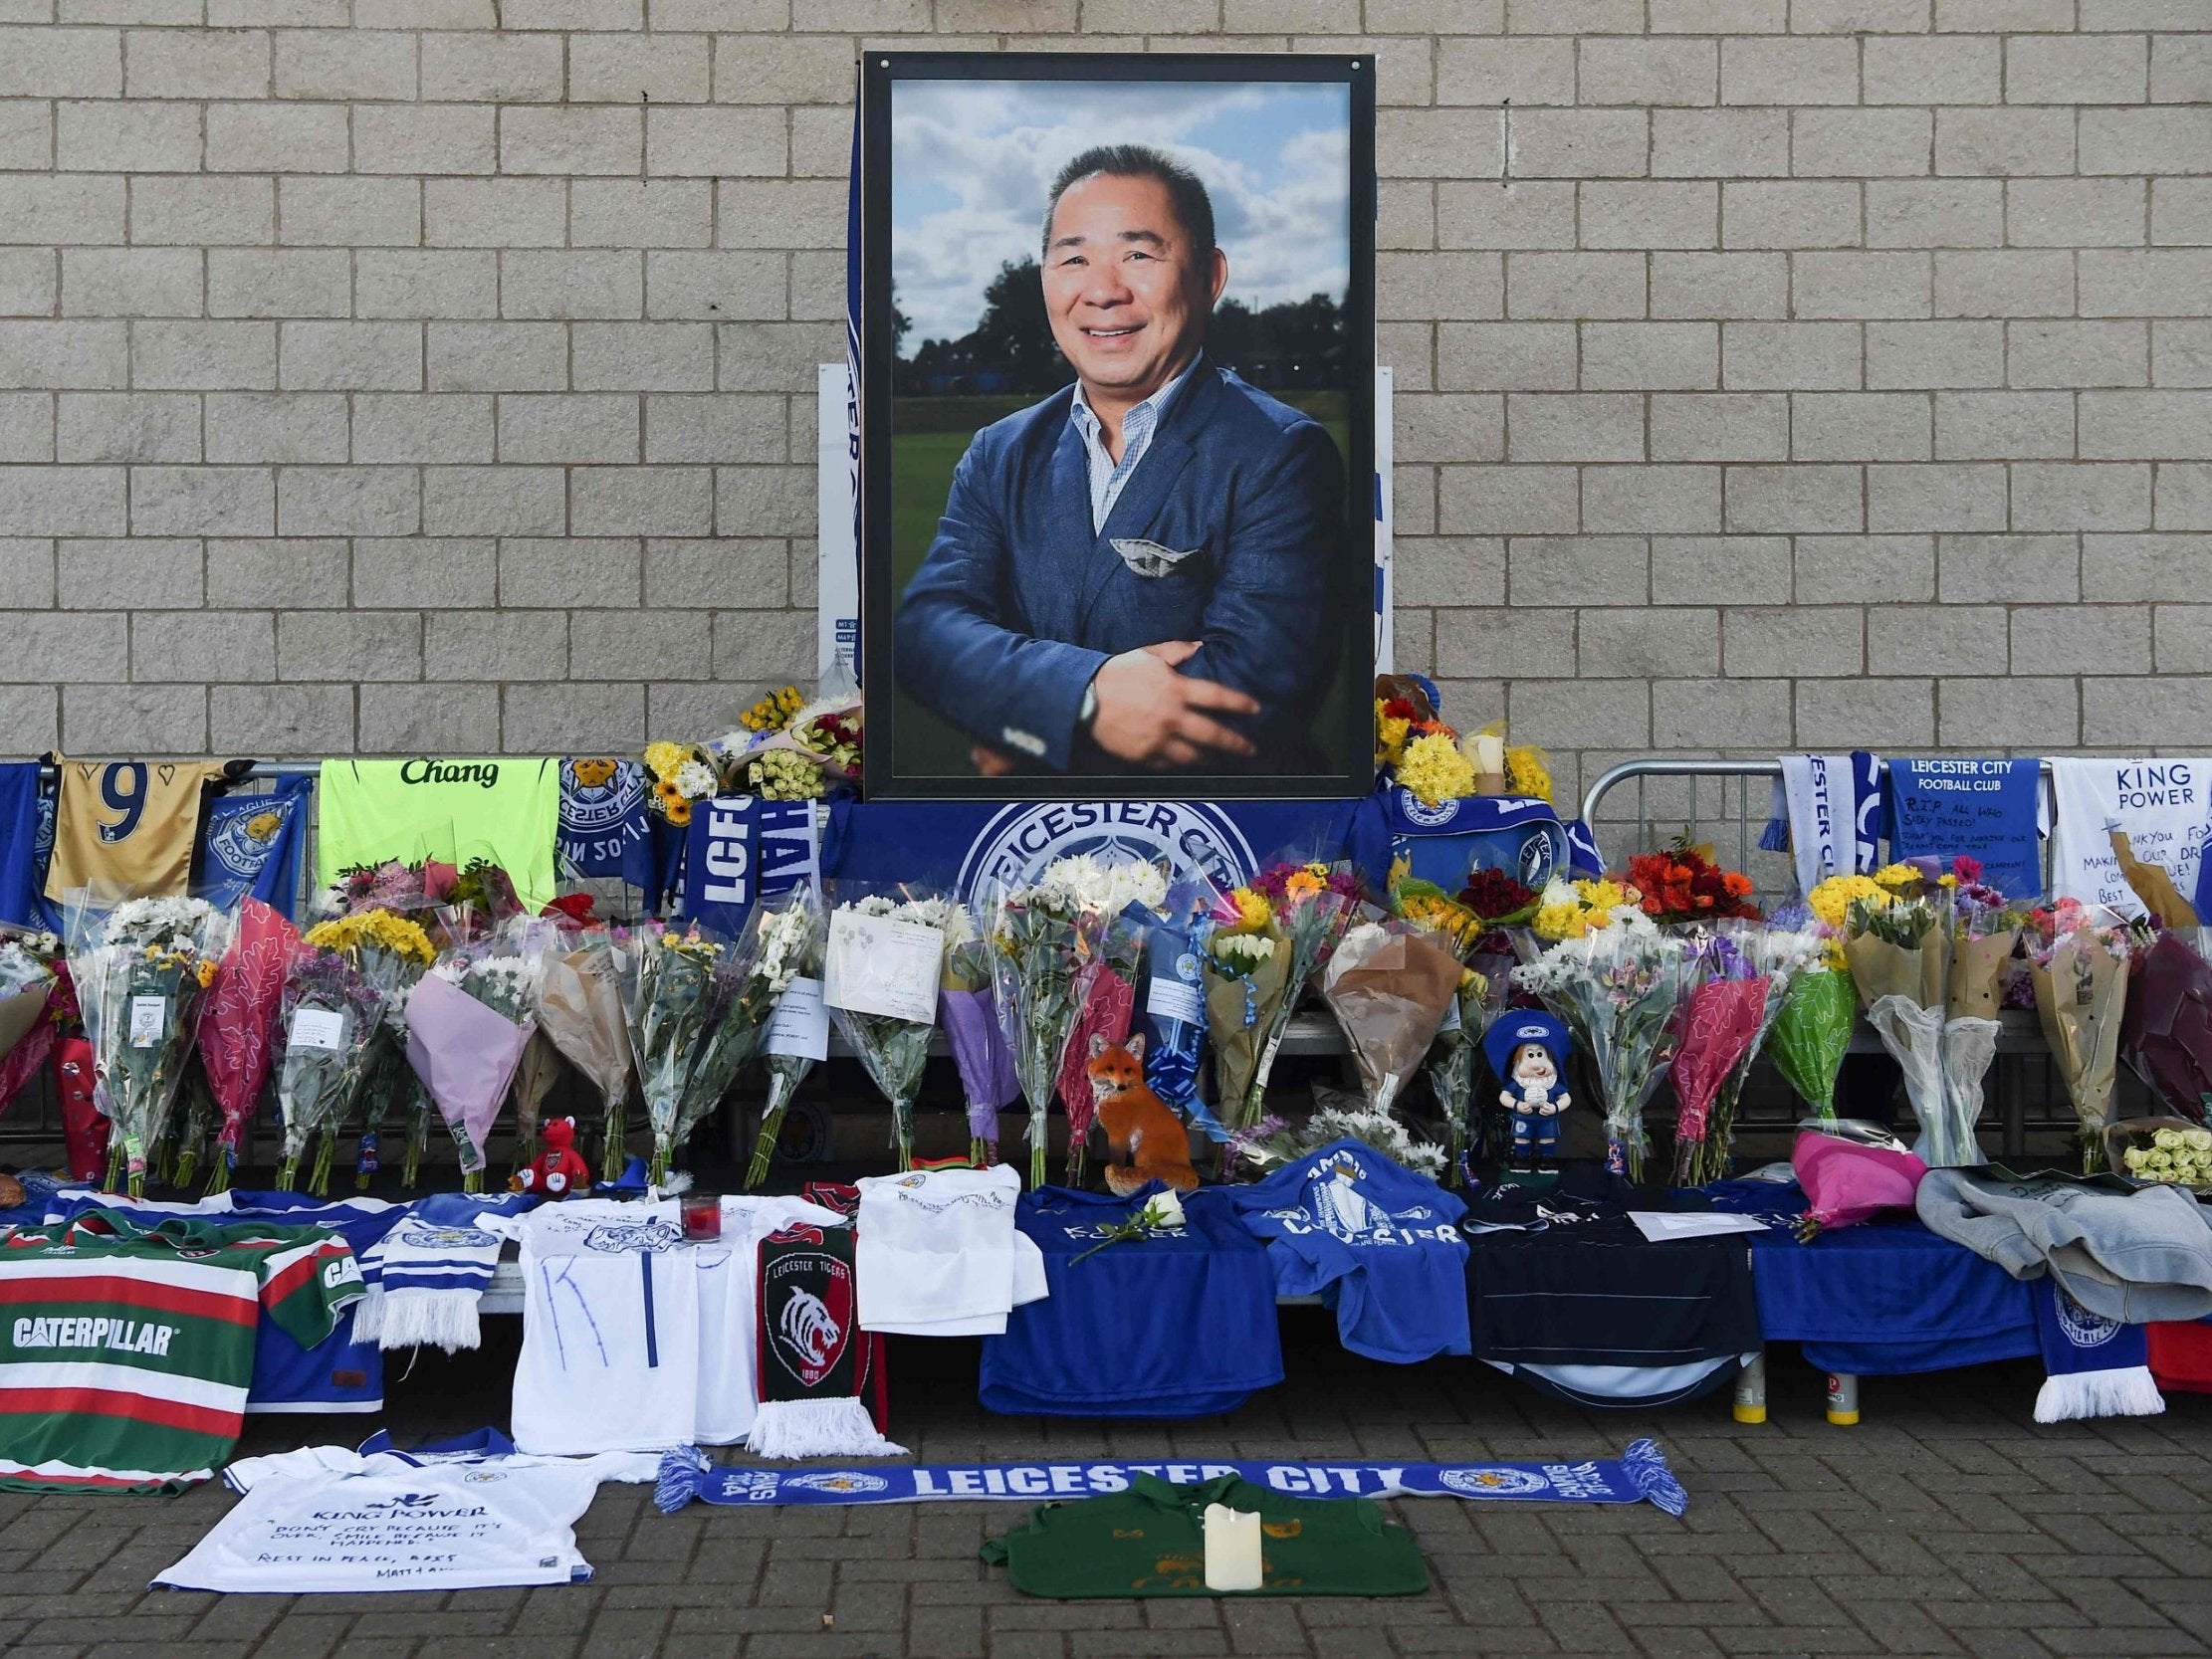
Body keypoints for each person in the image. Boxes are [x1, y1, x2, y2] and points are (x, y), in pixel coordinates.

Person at [892, 143, 1348, 778]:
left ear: (1210, 277)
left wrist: (1022, 727)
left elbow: (1248, 694)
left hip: (1226, 849)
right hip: (1026, 846)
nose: (1103, 291)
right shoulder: (999, 451)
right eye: (1074, 258)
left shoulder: (1282, 453)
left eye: (1138, 254)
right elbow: (928, 633)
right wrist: (1081, 699)